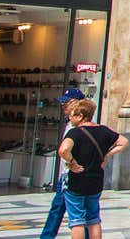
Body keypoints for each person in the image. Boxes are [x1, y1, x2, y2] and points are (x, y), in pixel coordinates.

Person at [58, 99, 129, 239]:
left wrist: (72, 162)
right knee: (93, 219)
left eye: (72, 115)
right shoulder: (103, 130)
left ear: (80, 116)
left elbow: (63, 150)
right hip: (96, 180)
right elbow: (124, 142)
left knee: (77, 221)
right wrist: (107, 155)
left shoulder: (74, 133)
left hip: (77, 180)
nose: (70, 118)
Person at [40, 88, 85, 239]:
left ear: (76, 103)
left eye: (66, 103)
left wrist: (72, 163)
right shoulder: (70, 123)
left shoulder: (79, 126)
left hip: (72, 176)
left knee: (76, 215)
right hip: (67, 175)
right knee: (66, 211)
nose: (63, 106)